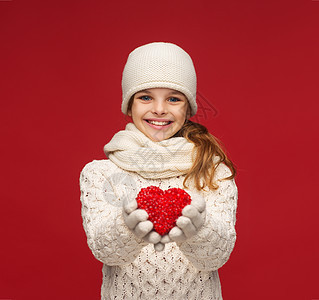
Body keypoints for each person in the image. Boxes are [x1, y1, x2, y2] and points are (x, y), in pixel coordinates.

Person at [79, 42, 238, 300]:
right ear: (129, 105)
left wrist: (199, 226)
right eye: (146, 97)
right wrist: (128, 226)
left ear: (188, 108)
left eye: (173, 98)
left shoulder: (212, 171)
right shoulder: (101, 173)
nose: (160, 109)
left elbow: (217, 256)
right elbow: (105, 251)